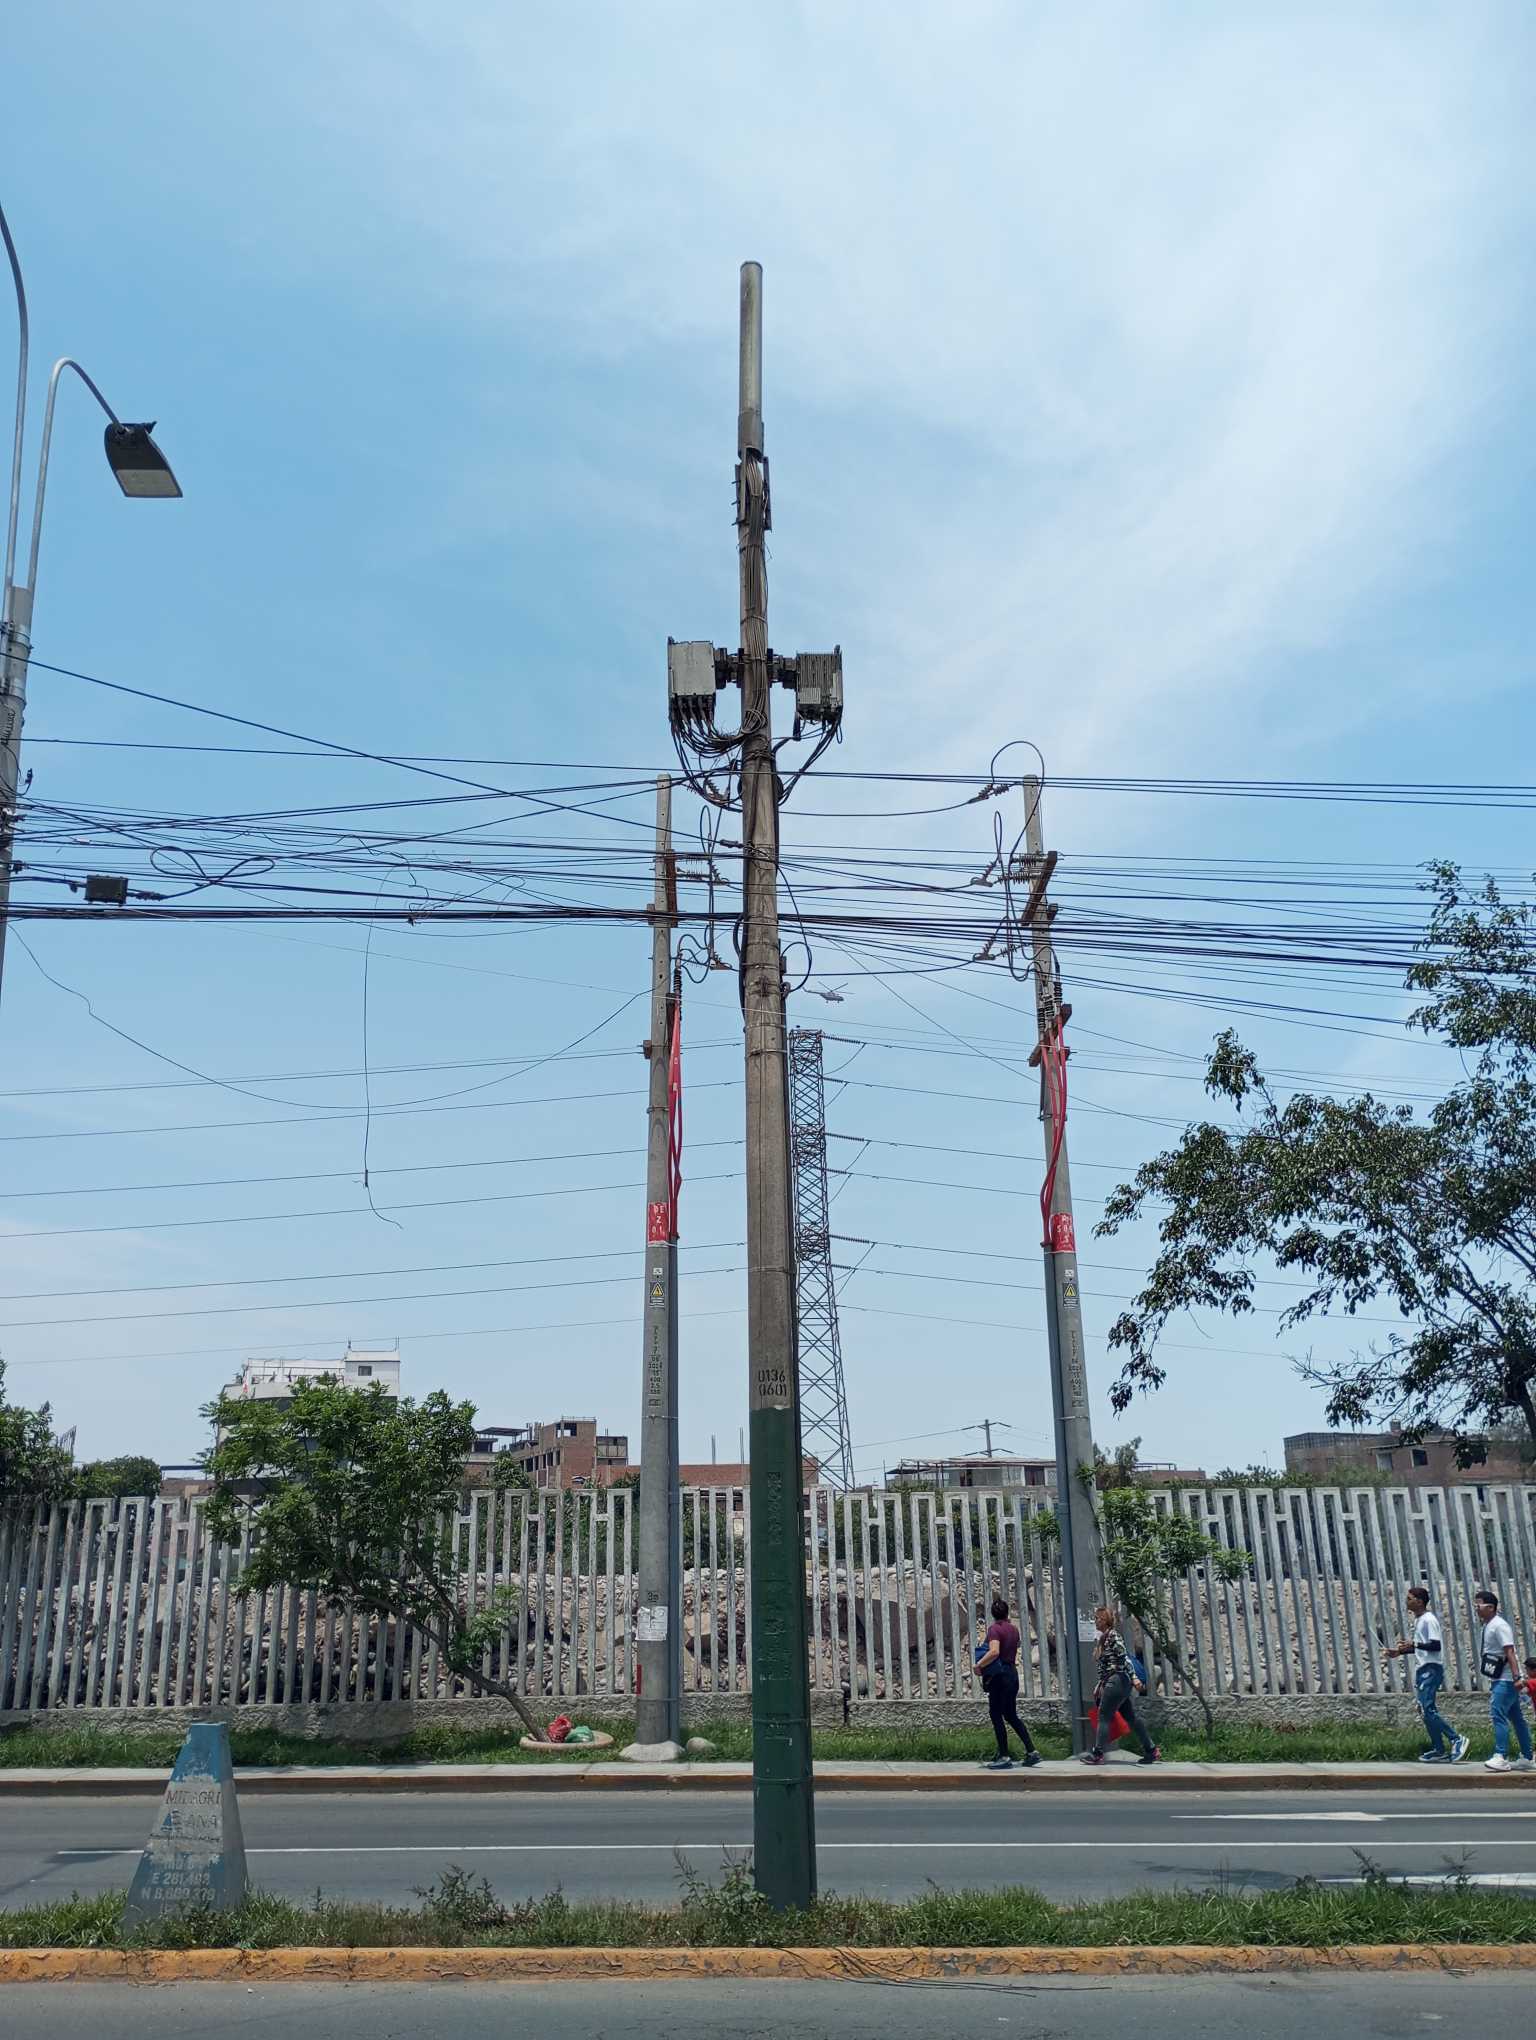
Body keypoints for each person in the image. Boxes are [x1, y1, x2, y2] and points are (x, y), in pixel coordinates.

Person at [1382, 1585, 1469, 1764]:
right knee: (1424, 1710)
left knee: (1427, 1709)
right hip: (1423, 1668)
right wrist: (1399, 1652)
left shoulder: (1429, 1620)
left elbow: (1435, 1645)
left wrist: (1414, 1644)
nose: (1406, 1602)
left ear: (1420, 1601)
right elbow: (1422, 1647)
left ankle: (1456, 1739)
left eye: (1409, 1598)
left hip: (1431, 1669)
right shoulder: (1419, 1620)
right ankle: (1439, 1749)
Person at [1081, 1605, 1159, 1766]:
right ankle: (1151, 1750)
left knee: (1104, 1716)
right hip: (1115, 1681)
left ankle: (1097, 1753)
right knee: (1130, 1717)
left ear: (1104, 1620)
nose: (1095, 1621)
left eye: (1097, 1618)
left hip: (1117, 1680)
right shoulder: (1104, 1638)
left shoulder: (1113, 1636)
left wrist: (1134, 1678)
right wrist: (1100, 1684)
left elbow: (1124, 1659)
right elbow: (1106, 1665)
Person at [974, 1595, 1042, 1771]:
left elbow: (994, 1651)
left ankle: (1004, 1756)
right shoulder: (1014, 1629)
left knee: (996, 1714)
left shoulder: (994, 1629)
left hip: (1000, 1676)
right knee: (1011, 1715)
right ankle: (1031, 1751)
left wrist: (979, 1665)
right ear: (1007, 1613)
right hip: (1012, 1674)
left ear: (993, 1614)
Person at [1474, 1588, 1534, 1773]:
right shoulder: (1488, 1625)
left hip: (1506, 1679)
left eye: (1479, 1605)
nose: (1476, 1608)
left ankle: (1501, 1756)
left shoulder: (1499, 1626)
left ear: (1490, 1607)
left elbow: (1510, 1652)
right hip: (1499, 1677)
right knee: (1516, 1718)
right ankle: (1527, 1757)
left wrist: (1517, 1677)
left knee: (1498, 1714)